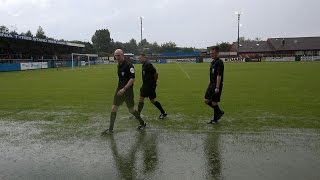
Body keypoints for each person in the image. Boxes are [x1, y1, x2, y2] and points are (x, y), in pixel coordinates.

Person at [101, 49, 146, 135]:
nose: (117, 57)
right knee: (114, 108)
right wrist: (119, 88)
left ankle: (142, 123)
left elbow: (132, 79)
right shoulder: (119, 65)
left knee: (131, 110)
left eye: (118, 55)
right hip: (119, 90)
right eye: (115, 56)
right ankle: (110, 129)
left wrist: (124, 89)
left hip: (127, 91)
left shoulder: (129, 66)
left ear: (123, 55)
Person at [137, 53, 167, 119]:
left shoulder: (148, 64)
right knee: (153, 100)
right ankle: (163, 112)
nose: (139, 59)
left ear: (144, 57)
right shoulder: (144, 65)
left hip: (148, 86)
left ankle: (138, 114)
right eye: (139, 58)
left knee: (141, 98)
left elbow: (156, 73)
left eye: (140, 58)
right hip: (147, 85)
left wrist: (154, 82)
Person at [204, 46, 225, 124]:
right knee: (206, 100)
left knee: (214, 102)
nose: (211, 54)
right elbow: (212, 74)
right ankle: (219, 112)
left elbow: (219, 75)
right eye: (210, 53)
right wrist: (209, 83)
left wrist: (217, 87)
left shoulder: (219, 62)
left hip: (216, 85)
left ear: (217, 53)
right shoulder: (213, 62)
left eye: (212, 53)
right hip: (211, 84)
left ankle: (215, 119)